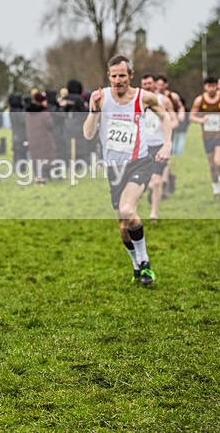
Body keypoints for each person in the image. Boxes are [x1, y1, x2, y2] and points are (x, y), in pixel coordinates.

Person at [83, 55, 171, 286]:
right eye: (114, 76)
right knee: (123, 228)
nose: (118, 80)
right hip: (113, 168)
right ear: (109, 76)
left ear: (131, 75)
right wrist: (93, 110)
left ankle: (145, 263)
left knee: (127, 209)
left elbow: (166, 117)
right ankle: (136, 265)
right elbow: (88, 134)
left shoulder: (144, 97)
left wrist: (168, 144)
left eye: (122, 75)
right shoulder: (101, 98)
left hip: (139, 162)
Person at [189, 76, 220, 200]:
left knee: (218, 161)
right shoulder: (200, 100)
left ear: (217, 86)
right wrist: (201, 120)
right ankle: (216, 187)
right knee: (212, 166)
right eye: (208, 86)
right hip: (207, 136)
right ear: (205, 87)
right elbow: (191, 116)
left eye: (213, 86)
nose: (211, 89)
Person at [140, 73, 178, 221]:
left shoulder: (163, 101)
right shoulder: (138, 101)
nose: (147, 86)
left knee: (156, 181)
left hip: (159, 145)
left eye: (149, 83)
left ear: (155, 84)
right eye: (144, 84)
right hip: (142, 146)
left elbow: (174, 120)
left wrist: (166, 129)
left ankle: (154, 214)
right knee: (147, 182)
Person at [25, 92, 56, 185]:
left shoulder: (28, 113)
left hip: (32, 139)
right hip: (44, 139)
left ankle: (38, 176)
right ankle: (45, 176)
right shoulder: (44, 113)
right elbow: (50, 125)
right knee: (47, 157)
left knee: (36, 157)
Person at [7, 95, 27, 174]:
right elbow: (23, 122)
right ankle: (21, 168)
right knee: (21, 151)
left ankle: (16, 167)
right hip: (21, 133)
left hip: (15, 133)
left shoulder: (12, 111)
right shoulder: (19, 112)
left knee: (16, 151)